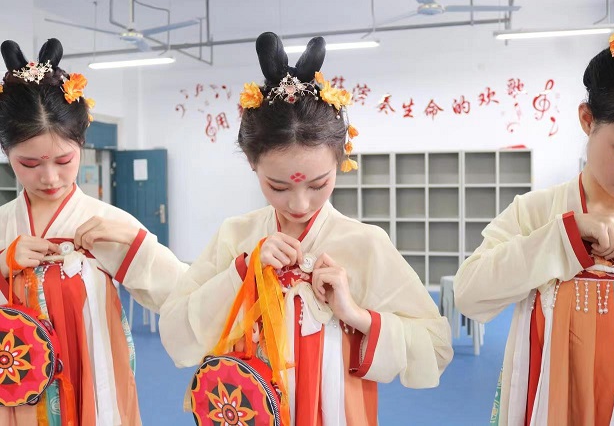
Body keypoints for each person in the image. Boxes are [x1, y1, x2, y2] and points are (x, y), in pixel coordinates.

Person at [159, 32, 452, 425]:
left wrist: (356, 314)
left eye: (318, 185)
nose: (299, 205)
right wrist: (242, 273)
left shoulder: (364, 244)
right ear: (252, 163)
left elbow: (435, 345)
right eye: (278, 187)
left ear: (341, 160)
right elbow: (175, 332)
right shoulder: (236, 236)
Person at [454, 0, 614, 424]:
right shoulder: (537, 211)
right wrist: (564, 236)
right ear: (587, 120)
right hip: (549, 403)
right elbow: (469, 294)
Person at [0, 38, 188, 425]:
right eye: (30, 164)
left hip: (93, 388)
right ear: (6, 153)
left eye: (64, 160)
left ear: (81, 144)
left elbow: (184, 292)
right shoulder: (4, 224)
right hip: (15, 388)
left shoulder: (106, 223)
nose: (50, 178)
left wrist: (136, 243)